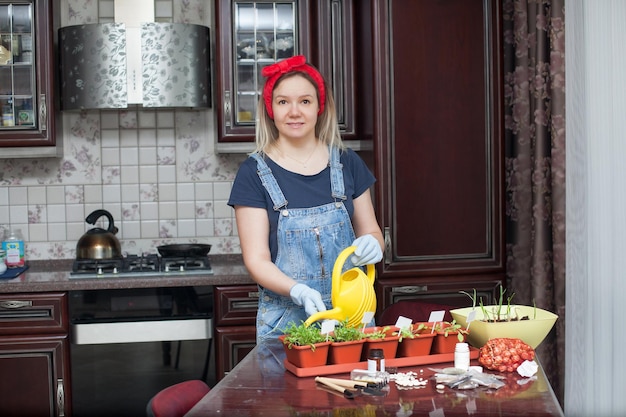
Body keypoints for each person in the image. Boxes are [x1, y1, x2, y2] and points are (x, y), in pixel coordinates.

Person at [228, 55, 384, 343]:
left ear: (319, 107)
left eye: (305, 101)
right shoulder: (253, 173)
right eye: (283, 102)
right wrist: (297, 289)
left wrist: (374, 245)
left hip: (351, 317)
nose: (294, 112)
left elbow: (371, 231)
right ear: (271, 109)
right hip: (286, 323)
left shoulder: (348, 162)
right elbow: (256, 259)